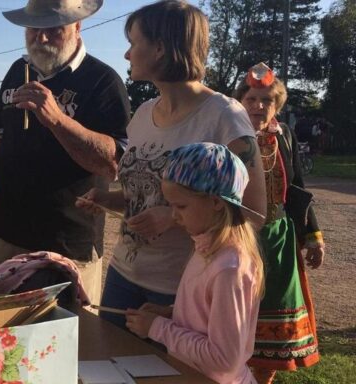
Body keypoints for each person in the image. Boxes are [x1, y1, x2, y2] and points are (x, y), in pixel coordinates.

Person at [77, 0, 266, 329]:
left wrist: (174, 218)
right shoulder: (143, 114)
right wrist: (110, 200)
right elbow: (147, 194)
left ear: (160, 49)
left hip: (179, 288)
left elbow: (255, 215)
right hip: (123, 275)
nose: (127, 54)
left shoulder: (225, 116)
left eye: (134, 44)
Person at [0, 0, 131, 306]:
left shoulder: (103, 81)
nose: (41, 39)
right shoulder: (19, 71)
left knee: (68, 342)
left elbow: (113, 164)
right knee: (2, 339)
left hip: (68, 246)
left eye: (52, 30)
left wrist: (56, 119)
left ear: (77, 26)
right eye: (34, 29)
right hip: (9, 237)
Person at [126, 142, 264, 384]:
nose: (174, 215)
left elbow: (224, 359)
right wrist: (171, 314)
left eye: (181, 206)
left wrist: (158, 328)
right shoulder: (205, 246)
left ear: (216, 202)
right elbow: (208, 317)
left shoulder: (229, 268)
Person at [235, 63, 324, 384]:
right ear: (241, 101)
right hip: (239, 236)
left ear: (277, 105)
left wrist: (312, 236)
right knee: (238, 310)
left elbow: (297, 186)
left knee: (275, 309)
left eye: (266, 101)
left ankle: (262, 379)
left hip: (279, 240)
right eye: (252, 99)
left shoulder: (283, 134)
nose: (259, 106)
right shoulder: (229, 133)